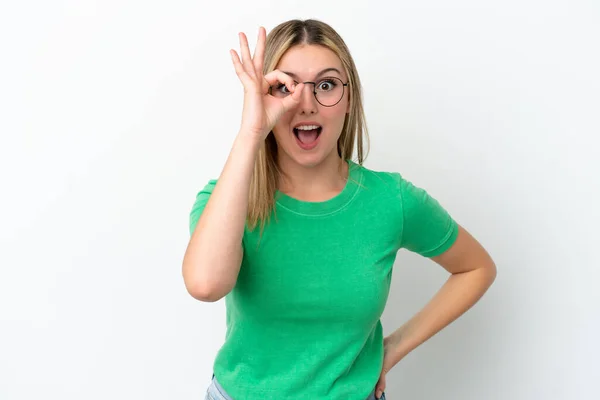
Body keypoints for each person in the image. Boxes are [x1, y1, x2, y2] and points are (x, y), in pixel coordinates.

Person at [182, 19, 497, 400]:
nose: (307, 104)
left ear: (349, 100)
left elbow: (475, 268)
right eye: (285, 87)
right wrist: (252, 131)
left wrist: (392, 348)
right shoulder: (227, 199)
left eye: (326, 85)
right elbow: (205, 285)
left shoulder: (391, 200)